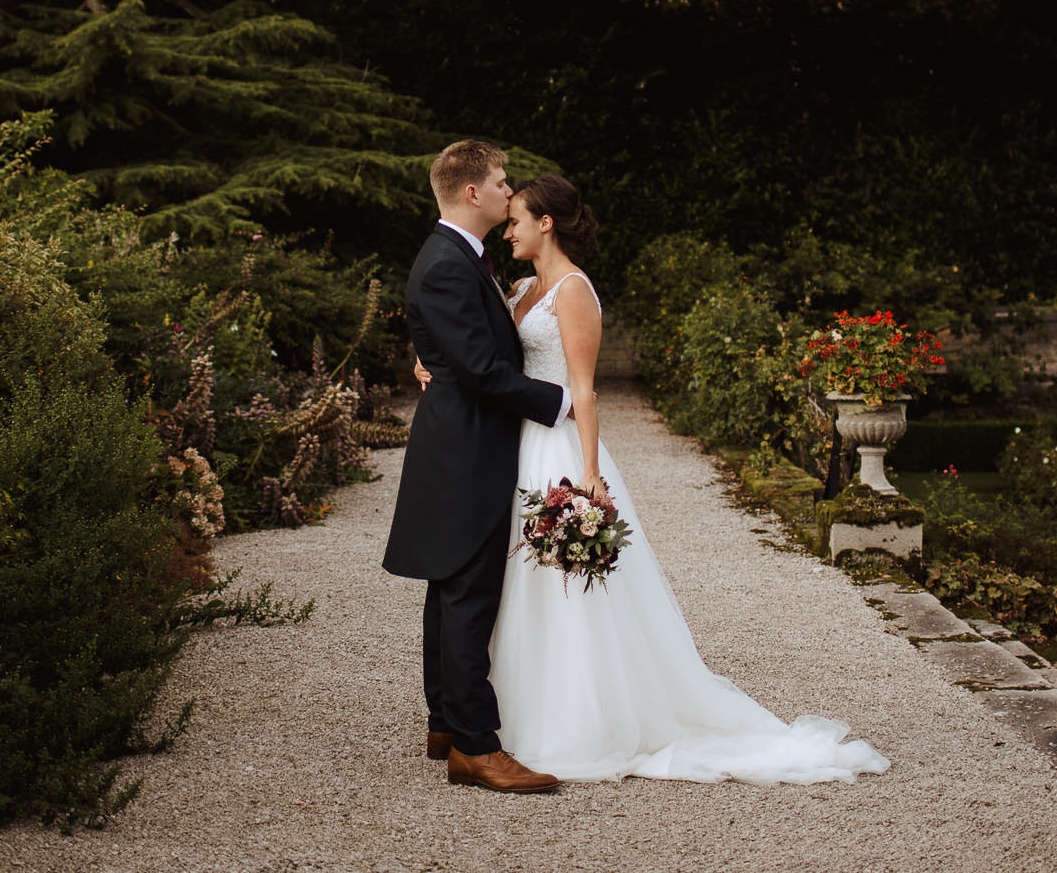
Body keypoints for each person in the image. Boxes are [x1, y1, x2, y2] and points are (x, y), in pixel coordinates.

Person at [481, 174, 890, 784]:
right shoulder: (518, 289)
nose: (507, 229)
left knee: (564, 582)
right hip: (515, 445)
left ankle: (578, 722)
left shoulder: (573, 291)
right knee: (519, 580)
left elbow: (585, 391)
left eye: (516, 218)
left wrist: (589, 475)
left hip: (558, 447)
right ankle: (510, 714)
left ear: (546, 223)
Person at [381, 141, 571, 793]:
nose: (506, 188)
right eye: (499, 180)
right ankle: (475, 746)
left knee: (451, 585)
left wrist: (433, 357)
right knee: (468, 594)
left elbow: (461, 352)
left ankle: (444, 720)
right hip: (467, 450)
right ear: (471, 192)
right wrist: (561, 399)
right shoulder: (446, 263)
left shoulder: (460, 258)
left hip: (460, 441)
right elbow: (485, 371)